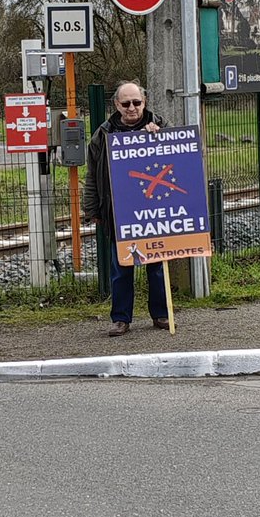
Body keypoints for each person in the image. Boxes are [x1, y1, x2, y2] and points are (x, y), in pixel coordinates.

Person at [83, 80, 170, 336]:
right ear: (116, 105)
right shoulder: (103, 134)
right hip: (119, 213)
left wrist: (161, 137)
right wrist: (92, 209)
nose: (132, 108)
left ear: (145, 102)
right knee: (121, 268)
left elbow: (179, 157)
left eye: (137, 102)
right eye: (126, 103)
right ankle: (121, 319)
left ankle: (162, 314)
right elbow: (92, 176)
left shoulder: (161, 127)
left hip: (154, 211)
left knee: (156, 266)